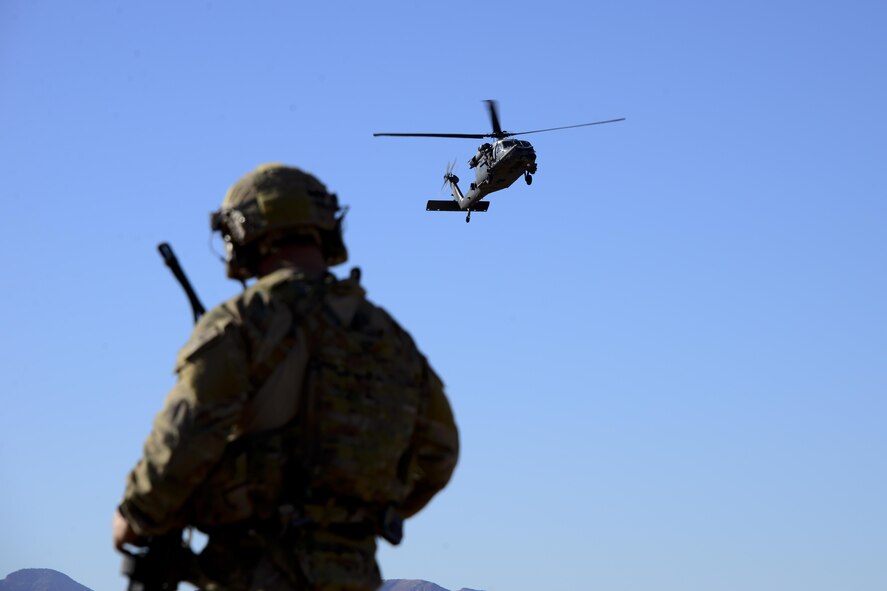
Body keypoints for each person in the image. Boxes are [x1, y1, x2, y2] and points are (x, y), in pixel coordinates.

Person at [113, 163, 459, 591]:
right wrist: (356, 511)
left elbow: (188, 431)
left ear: (242, 231)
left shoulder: (242, 323)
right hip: (355, 575)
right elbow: (440, 453)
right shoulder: (391, 338)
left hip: (255, 571)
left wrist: (137, 515)